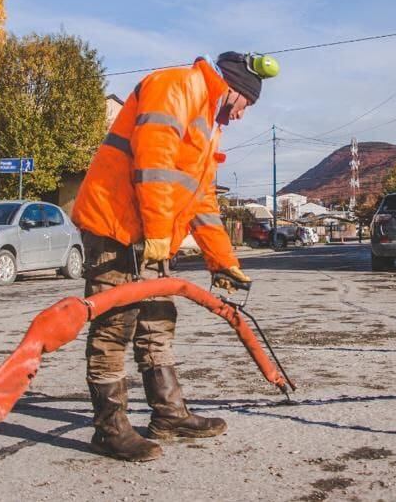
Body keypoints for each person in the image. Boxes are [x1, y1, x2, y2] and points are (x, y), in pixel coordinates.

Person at [70, 51, 278, 462]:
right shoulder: (176, 87)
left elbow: (200, 199)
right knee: (115, 326)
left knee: (157, 320)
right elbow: (154, 164)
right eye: (246, 105)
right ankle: (109, 430)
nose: (241, 116)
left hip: (150, 232)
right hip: (115, 226)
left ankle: (168, 415)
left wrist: (222, 260)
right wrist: (161, 234)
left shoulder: (207, 120)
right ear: (233, 89)